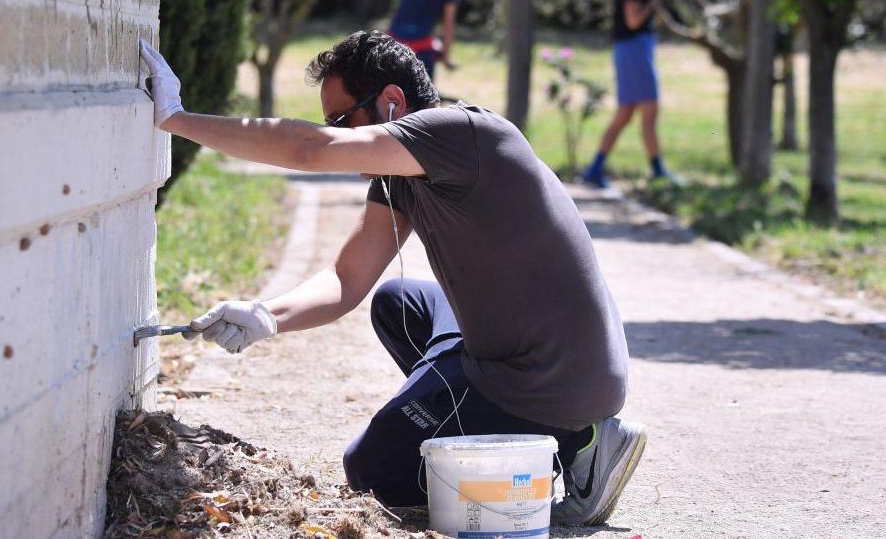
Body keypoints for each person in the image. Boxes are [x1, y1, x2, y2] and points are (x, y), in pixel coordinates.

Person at [138, 31, 646, 526]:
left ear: (392, 102)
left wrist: (178, 120)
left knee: (373, 472)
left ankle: (576, 444)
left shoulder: (461, 135)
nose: (339, 131)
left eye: (342, 118)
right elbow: (347, 278)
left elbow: (310, 150)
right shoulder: (402, 176)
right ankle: (469, 418)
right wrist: (266, 316)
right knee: (397, 302)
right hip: (528, 355)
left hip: (551, 380)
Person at [581, 0, 676, 189]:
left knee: (626, 113)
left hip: (634, 49)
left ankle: (595, 168)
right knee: (648, 109)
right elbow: (633, 20)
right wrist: (654, 0)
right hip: (633, 48)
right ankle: (657, 171)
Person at [388, 0, 460, 80]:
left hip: (394, 39)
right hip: (419, 45)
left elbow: (414, 11)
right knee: (425, 95)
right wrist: (446, 57)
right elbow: (449, 23)